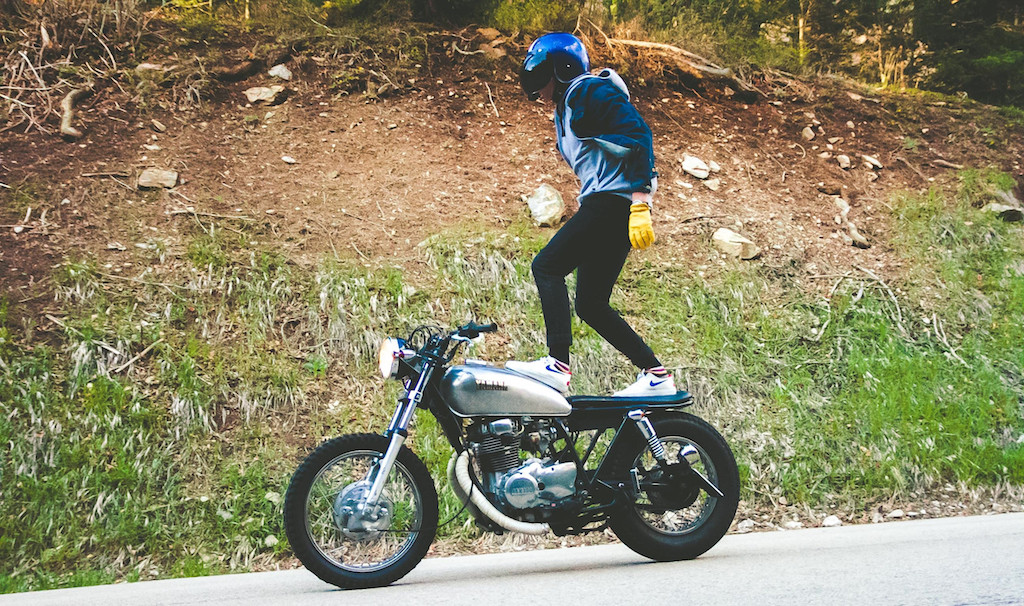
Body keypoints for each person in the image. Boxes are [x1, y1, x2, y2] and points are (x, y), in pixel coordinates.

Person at [505, 32, 675, 398]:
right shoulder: (565, 107)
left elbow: (639, 135)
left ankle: (557, 365)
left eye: (542, 74)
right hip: (609, 204)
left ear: (562, 69)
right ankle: (656, 374)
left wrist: (641, 202)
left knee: (546, 267)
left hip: (612, 202)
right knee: (591, 304)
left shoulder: (586, 91)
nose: (537, 85)